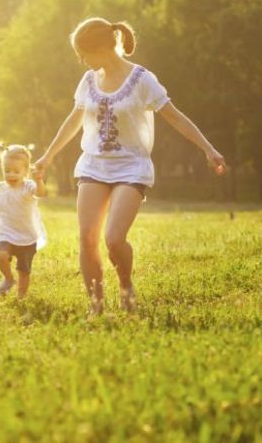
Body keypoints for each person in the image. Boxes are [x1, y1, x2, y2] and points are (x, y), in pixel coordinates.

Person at [33, 17, 226, 314]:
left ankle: (126, 285)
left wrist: (208, 149)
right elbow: (73, 121)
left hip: (131, 167)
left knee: (113, 239)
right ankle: (96, 306)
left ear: (101, 48)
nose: (81, 61)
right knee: (87, 238)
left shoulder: (142, 80)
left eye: (83, 54)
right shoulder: (88, 81)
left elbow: (175, 117)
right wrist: (48, 156)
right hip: (94, 165)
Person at [0, 144, 47, 299]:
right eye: (7, 171)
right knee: (1, 255)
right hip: (6, 233)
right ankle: (8, 278)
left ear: (26, 171)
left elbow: (40, 193)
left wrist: (39, 181)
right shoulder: (0, 188)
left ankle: (21, 297)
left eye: (16, 171)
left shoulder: (28, 186)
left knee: (23, 271)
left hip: (26, 236)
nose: (11, 175)